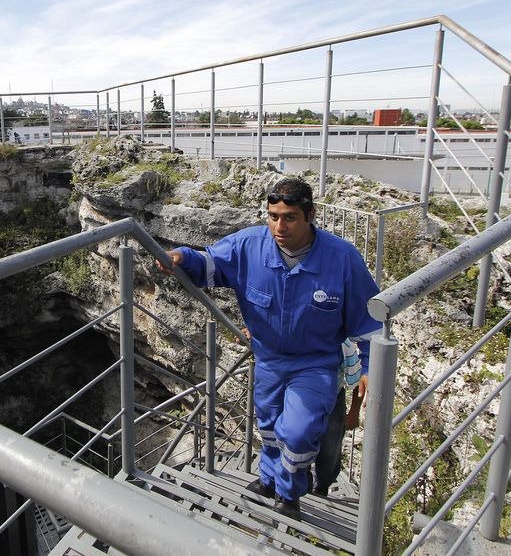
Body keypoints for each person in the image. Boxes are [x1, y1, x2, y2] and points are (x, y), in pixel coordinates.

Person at [158, 177, 381, 520]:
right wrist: (180, 257)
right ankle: (267, 479)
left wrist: (368, 366)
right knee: (270, 426)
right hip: (268, 360)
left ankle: (290, 495)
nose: (279, 225)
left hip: (315, 363)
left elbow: (368, 318)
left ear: (310, 215)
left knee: (297, 431)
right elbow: (210, 265)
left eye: (289, 217)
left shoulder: (342, 258)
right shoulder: (249, 246)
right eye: (273, 215)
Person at [312, 338, 365, 497]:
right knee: (299, 441)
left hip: (333, 401)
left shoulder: (344, 345)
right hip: (304, 399)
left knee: (329, 448)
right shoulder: (303, 333)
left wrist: (354, 413)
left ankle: (321, 487)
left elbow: (358, 380)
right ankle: (302, 482)